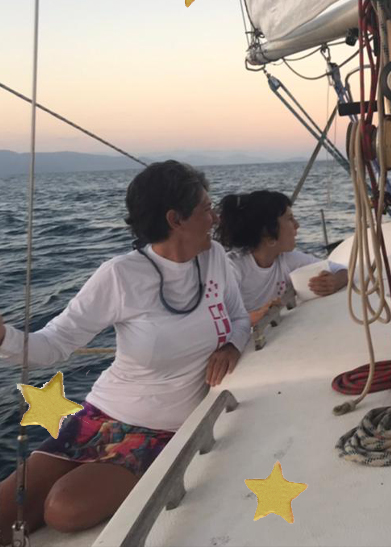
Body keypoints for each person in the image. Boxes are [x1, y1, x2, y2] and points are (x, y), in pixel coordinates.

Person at [0, 160, 250, 540]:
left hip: (164, 429)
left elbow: (240, 318)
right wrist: (4, 337)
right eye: (205, 208)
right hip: (101, 414)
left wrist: (231, 345)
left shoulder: (213, 258)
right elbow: (53, 345)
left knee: (63, 509)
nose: (214, 217)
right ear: (175, 219)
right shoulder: (119, 275)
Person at [215, 190, 348, 324]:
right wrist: (257, 315)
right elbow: (217, 318)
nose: (297, 225)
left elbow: (341, 269)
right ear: (268, 234)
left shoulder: (286, 259)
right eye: (290, 219)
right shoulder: (232, 268)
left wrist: (335, 281)